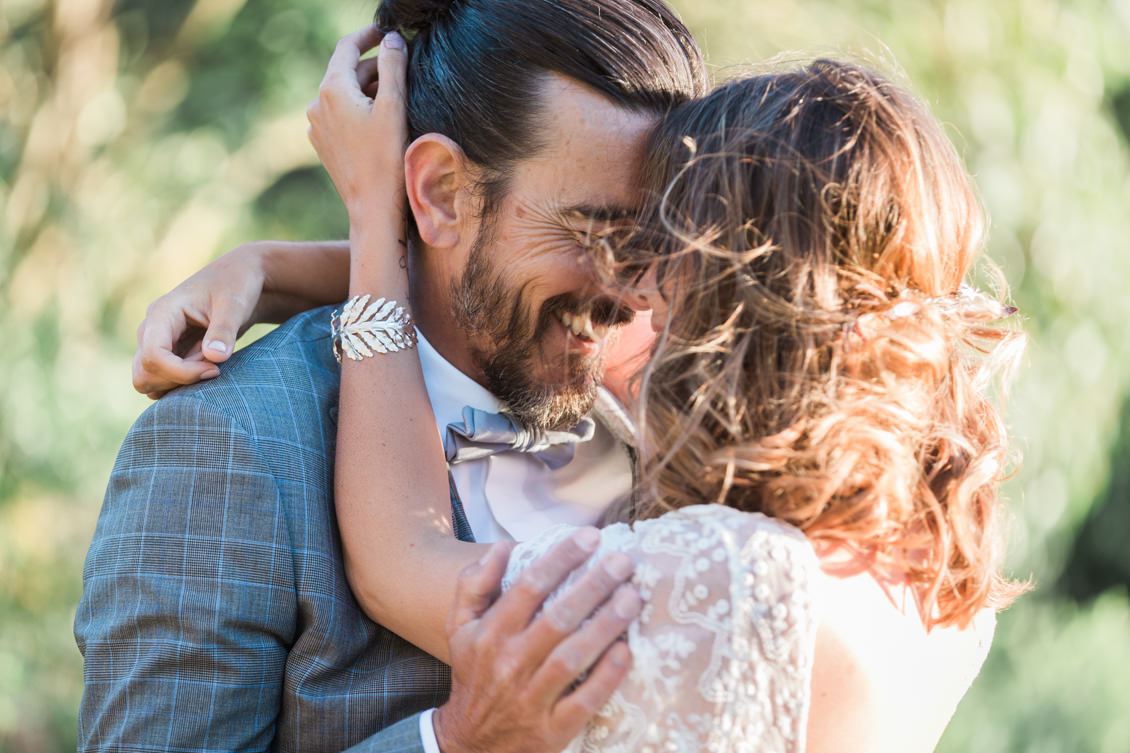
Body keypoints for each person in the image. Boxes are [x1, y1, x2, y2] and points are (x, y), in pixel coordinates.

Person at [145, 37, 1028, 753]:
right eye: (604, 237)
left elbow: (400, 559)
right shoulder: (937, 585)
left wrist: (376, 218)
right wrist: (278, 266)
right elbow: (505, 281)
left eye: (661, 258)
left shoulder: (728, 575)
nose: (634, 293)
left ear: (742, 307)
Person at [74, 1, 709, 751]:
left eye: (660, 240)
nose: (635, 288)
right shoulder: (226, 446)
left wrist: (278, 263)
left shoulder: (696, 416)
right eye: (595, 232)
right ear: (440, 192)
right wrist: (454, 740)